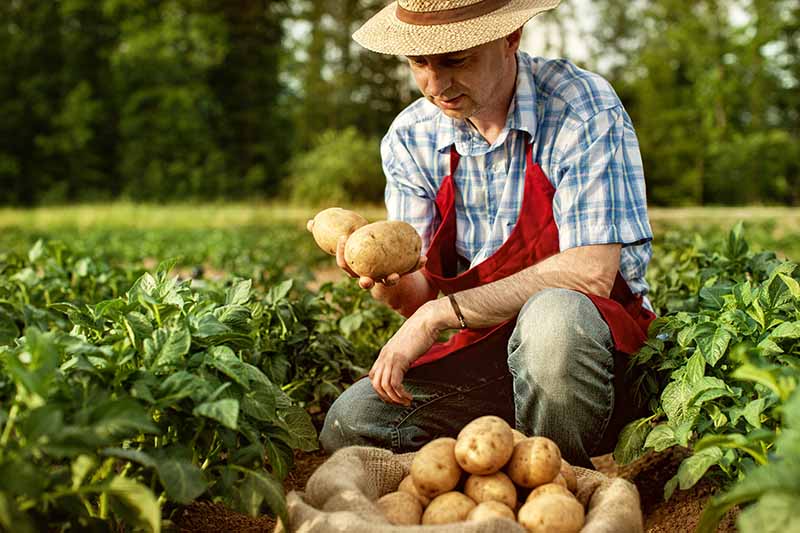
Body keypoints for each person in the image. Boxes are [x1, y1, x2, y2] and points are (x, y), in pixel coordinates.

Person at [313, 0, 656, 469]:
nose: (436, 86)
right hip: (483, 353)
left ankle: (554, 478)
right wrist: (390, 283)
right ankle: (493, 462)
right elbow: (421, 293)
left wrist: (440, 314)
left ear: (510, 37)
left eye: (456, 60)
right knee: (352, 422)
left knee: (553, 321)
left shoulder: (581, 109)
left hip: (593, 357)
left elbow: (589, 273)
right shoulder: (410, 138)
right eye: (419, 63)